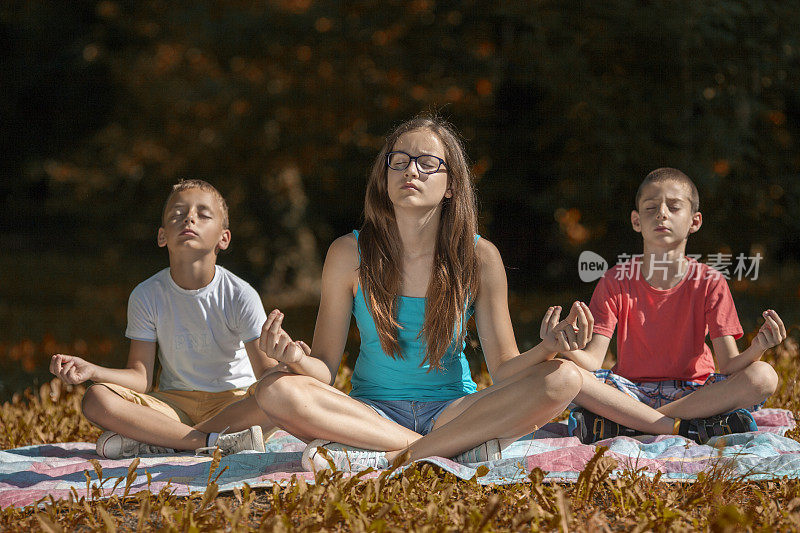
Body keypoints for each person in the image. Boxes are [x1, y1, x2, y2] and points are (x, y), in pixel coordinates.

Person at [252, 115, 587, 472]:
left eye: (428, 163)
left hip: (453, 411)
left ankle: (399, 454)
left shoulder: (479, 256)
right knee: (274, 388)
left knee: (563, 378)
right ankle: (442, 448)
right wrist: (294, 358)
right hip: (371, 414)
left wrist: (549, 348)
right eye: (399, 161)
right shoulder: (347, 253)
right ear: (384, 177)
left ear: (451, 186)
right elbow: (323, 372)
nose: (411, 171)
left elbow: (504, 370)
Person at [50, 179, 278, 458]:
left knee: (278, 395)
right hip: (173, 407)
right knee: (96, 399)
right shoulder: (147, 295)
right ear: (162, 236)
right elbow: (140, 378)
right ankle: (208, 441)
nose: (189, 218)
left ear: (224, 238)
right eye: (177, 214)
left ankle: (162, 441)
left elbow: (266, 376)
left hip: (234, 404)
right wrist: (92, 371)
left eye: (203, 214)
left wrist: (291, 364)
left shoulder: (240, 295)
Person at [563, 168, 786, 444]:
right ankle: (688, 426)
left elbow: (728, 364)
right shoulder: (615, 280)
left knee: (763, 376)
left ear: (695, 221)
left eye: (674, 207)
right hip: (628, 390)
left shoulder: (710, 281)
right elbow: (593, 359)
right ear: (636, 220)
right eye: (651, 207)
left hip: (694, 394)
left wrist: (758, 348)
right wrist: (562, 348)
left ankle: (631, 424)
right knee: (563, 373)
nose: (662, 213)